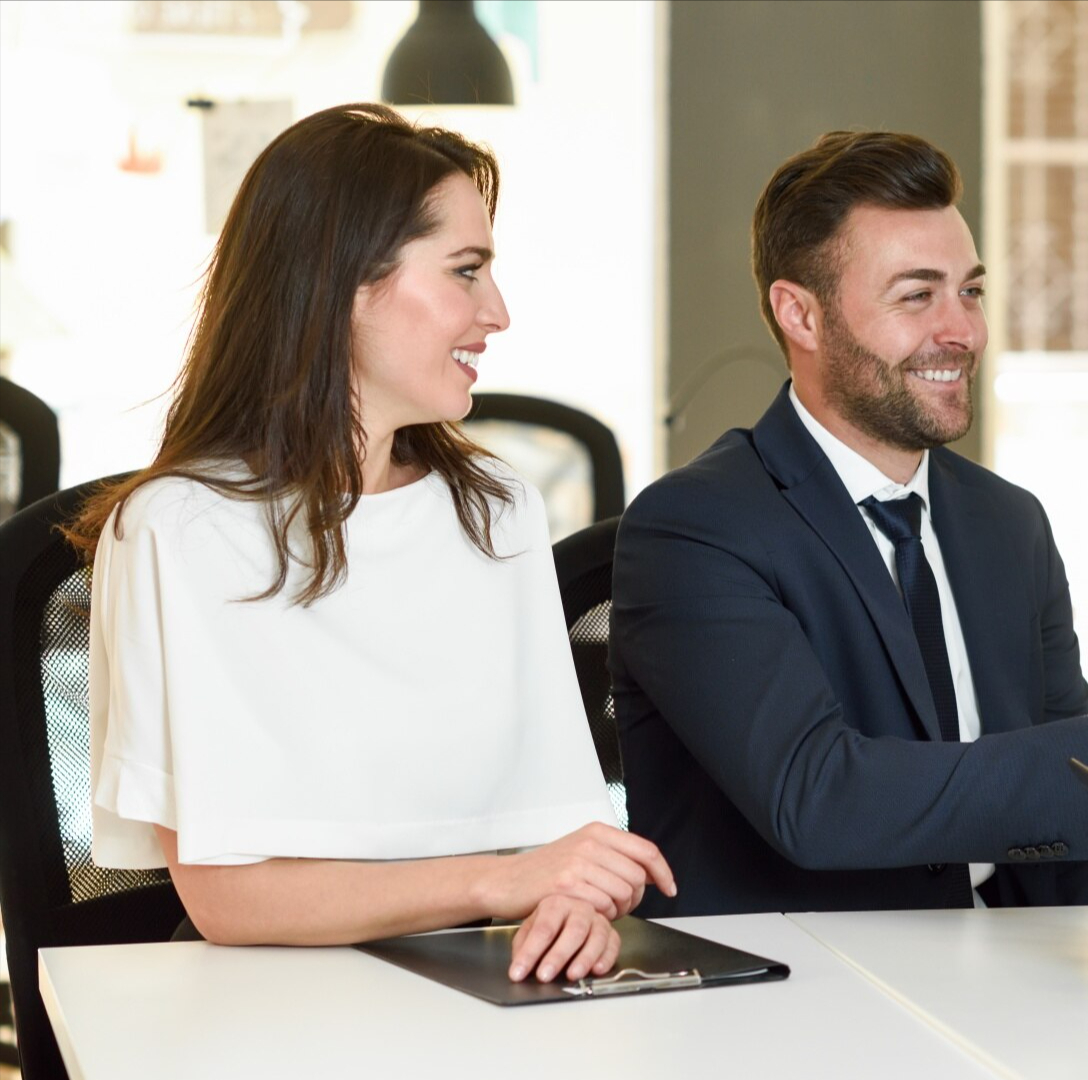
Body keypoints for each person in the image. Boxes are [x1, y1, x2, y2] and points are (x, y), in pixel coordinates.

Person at [611, 131, 1088, 917]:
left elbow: (1076, 811)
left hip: (1003, 972)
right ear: (801, 315)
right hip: (797, 992)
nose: (964, 331)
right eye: (917, 295)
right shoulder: (695, 528)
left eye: (972, 291)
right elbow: (818, 797)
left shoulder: (1007, 524)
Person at [74, 103, 674, 986]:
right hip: (269, 1012)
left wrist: (571, 905)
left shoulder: (496, 509)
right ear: (341, 282)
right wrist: (502, 882)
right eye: (465, 271)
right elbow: (230, 900)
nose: (496, 311)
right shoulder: (179, 530)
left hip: (489, 989)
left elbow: (558, 829)